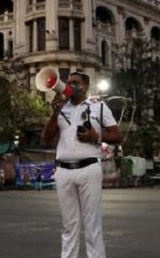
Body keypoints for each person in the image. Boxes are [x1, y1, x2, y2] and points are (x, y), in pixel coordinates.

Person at [43, 71, 122, 258]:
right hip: (63, 170)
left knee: (92, 223)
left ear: (85, 87)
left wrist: (97, 137)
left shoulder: (99, 106)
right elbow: (46, 137)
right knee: (69, 225)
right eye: (68, 82)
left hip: (89, 169)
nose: (70, 85)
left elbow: (117, 136)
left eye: (75, 82)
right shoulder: (62, 108)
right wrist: (55, 113)